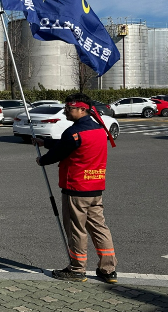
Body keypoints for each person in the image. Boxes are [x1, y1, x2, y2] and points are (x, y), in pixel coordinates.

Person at [35, 92, 118, 284]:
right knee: (99, 228)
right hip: (95, 187)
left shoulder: (73, 133)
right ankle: (108, 269)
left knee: (76, 230)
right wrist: (45, 142)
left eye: (69, 108)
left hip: (76, 189)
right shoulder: (98, 130)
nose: (66, 111)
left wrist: (42, 160)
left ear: (82, 109)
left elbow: (60, 151)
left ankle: (77, 269)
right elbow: (69, 145)